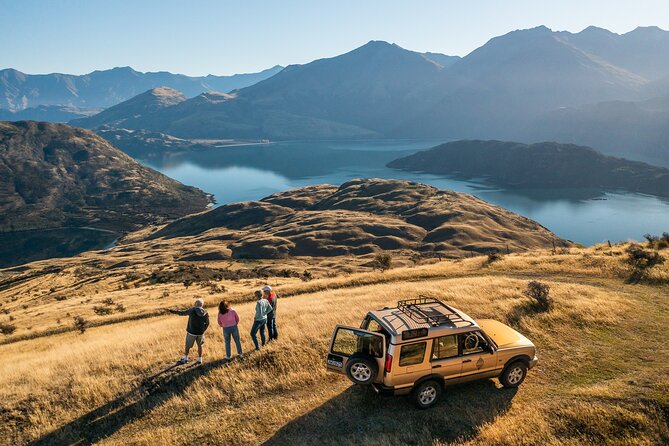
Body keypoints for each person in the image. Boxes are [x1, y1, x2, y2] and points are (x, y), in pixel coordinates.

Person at [166, 298, 210, 365]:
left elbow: (182, 313)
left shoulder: (192, 310)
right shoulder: (205, 312)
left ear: (195, 304)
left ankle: (186, 358)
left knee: (187, 346)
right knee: (200, 345)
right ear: (202, 305)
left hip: (191, 332)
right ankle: (200, 359)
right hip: (200, 333)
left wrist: (171, 311)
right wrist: (203, 330)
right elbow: (207, 323)